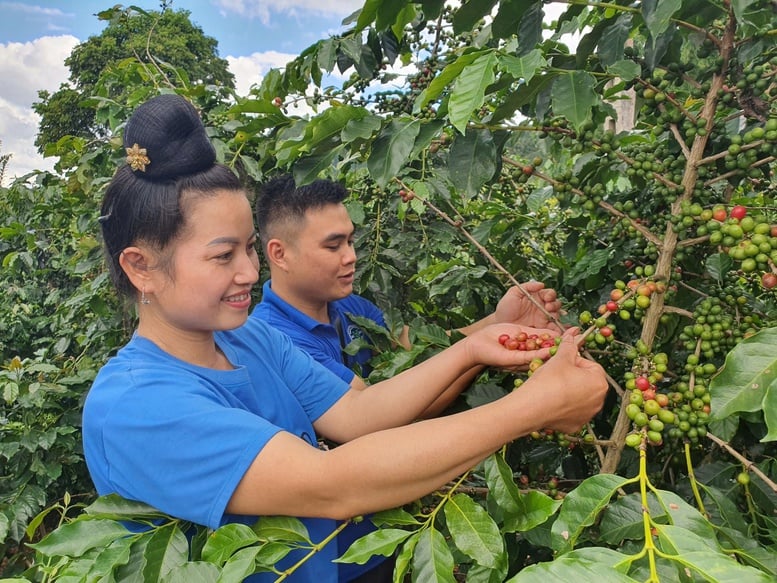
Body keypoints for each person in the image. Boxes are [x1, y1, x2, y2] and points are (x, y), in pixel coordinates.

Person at [82, 93, 609, 583]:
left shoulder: (246, 341)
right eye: (223, 256)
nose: (248, 272)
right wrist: (533, 407)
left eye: (248, 249)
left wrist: (473, 347)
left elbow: (358, 415)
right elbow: (334, 484)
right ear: (141, 267)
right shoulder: (136, 407)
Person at [253, 175, 564, 416]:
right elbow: (382, 418)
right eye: (333, 246)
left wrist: (497, 322)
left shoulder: (349, 306)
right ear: (280, 254)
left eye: (350, 241)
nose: (351, 256)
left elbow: (418, 348)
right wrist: (481, 351)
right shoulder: (274, 338)